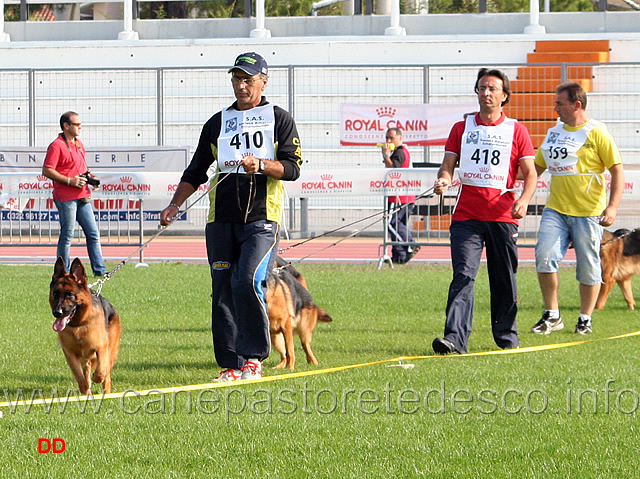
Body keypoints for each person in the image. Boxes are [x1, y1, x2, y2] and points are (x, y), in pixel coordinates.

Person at [160, 52, 303, 381]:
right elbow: (196, 169)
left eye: (248, 79)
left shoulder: (279, 118)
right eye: (237, 79)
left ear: (263, 82)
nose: (241, 85)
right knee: (222, 288)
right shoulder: (217, 122)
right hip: (220, 220)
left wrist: (263, 165)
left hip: (261, 218)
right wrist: (174, 204)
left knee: (247, 281)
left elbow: (293, 168)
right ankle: (231, 364)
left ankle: (254, 358)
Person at [431, 68, 537, 355]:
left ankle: (506, 337)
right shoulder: (461, 128)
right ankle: (454, 340)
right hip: (466, 216)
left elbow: (530, 174)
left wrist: (524, 200)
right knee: (464, 275)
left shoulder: (517, 130)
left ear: (504, 96)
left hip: (503, 216)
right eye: (481, 88)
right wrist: (443, 179)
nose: (486, 93)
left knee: (504, 277)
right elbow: (448, 164)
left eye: (492, 89)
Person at [530, 82, 624, 336]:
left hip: (588, 212)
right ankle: (552, 315)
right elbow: (534, 169)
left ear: (576, 105)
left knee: (589, 266)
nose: (555, 108)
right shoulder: (554, 132)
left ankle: (585, 318)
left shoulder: (598, 132)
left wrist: (612, 207)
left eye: (560, 103)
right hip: (556, 209)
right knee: (544, 256)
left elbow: (617, 169)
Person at [42, 111, 106, 277]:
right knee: (67, 235)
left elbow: (82, 167)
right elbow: (47, 170)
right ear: (66, 126)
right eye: (77, 124)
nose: (80, 127)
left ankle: (100, 271)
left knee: (93, 233)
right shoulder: (56, 145)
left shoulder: (78, 143)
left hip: (82, 195)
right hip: (66, 197)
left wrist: (90, 177)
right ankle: (63, 272)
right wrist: (70, 181)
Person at [381, 127, 419, 264]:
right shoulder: (403, 151)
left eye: (391, 138)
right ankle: (399, 256)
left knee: (390, 223)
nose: (388, 141)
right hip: (405, 195)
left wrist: (385, 155)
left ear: (400, 138)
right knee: (399, 223)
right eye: (386, 138)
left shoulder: (400, 152)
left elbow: (393, 170)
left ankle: (409, 244)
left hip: (399, 195)